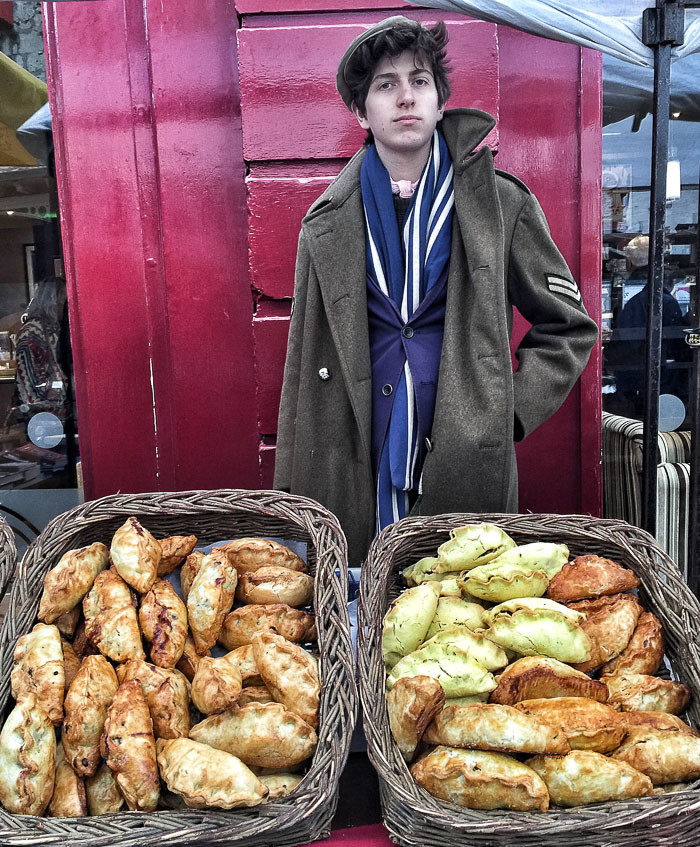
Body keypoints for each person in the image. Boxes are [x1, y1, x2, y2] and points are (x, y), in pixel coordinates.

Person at [274, 16, 599, 565]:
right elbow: (303, 358)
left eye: (419, 81)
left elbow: (569, 326)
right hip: (354, 449)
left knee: (457, 613)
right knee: (362, 603)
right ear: (361, 111)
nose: (405, 97)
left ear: (440, 101)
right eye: (385, 85)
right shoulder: (324, 222)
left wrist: (506, 411)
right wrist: (293, 474)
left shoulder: (501, 205)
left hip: (463, 449)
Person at [605, 235, 688, 420]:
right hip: (657, 383)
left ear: (630, 263)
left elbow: (623, 349)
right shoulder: (660, 300)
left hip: (642, 383)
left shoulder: (641, 300)